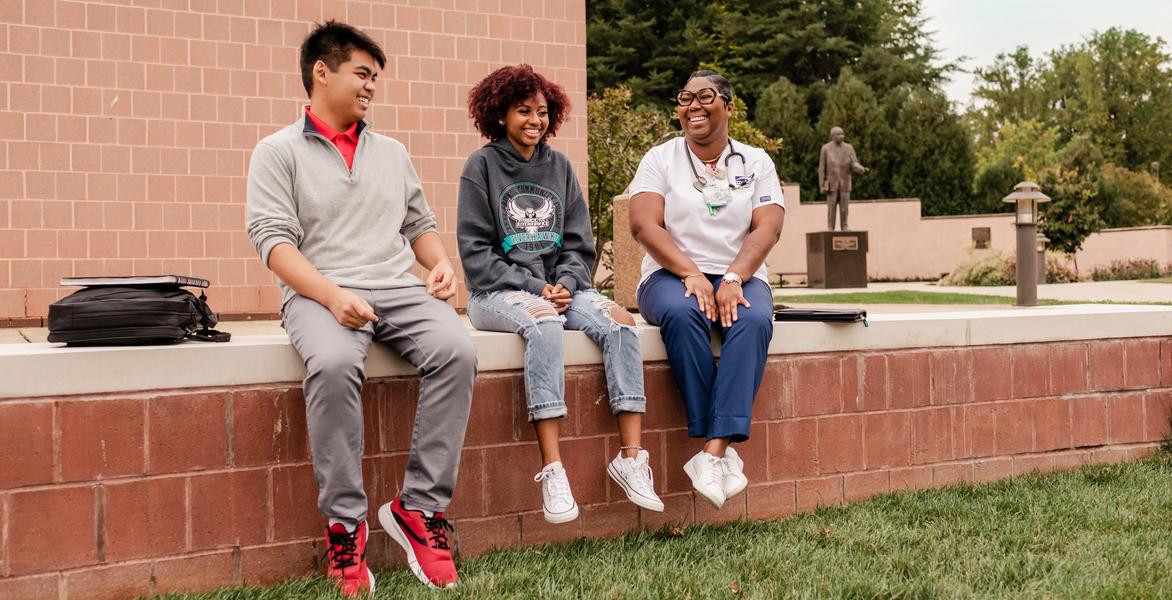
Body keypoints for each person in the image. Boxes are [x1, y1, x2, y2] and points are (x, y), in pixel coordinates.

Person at [245, 21, 474, 594]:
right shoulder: (276, 152)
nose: (372, 87)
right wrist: (330, 295)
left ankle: (419, 509)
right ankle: (345, 528)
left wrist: (439, 264)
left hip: (395, 286)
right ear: (323, 71)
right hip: (317, 291)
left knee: (456, 350)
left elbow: (418, 224)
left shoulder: (391, 152)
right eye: (362, 74)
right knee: (332, 364)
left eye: (376, 78)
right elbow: (273, 243)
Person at [458, 64, 663, 523]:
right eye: (523, 110)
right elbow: (475, 256)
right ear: (500, 113)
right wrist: (538, 287)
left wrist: (567, 284)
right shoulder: (482, 167)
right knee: (545, 324)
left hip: (562, 289)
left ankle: (631, 458)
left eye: (543, 111)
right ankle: (553, 469)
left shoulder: (560, 166)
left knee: (621, 324)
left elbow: (578, 244)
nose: (535, 120)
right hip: (497, 293)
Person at [628, 70, 785, 509]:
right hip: (668, 274)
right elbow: (643, 223)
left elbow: (768, 226)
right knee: (683, 313)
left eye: (705, 97)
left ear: (729, 107)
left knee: (752, 320)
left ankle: (713, 449)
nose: (693, 105)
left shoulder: (755, 162)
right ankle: (718, 441)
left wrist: (734, 277)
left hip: (742, 273)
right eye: (685, 98)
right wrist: (691, 274)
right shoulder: (660, 159)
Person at [818, 126, 869, 231]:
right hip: (831, 183)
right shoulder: (826, 148)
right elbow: (822, 167)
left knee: (844, 207)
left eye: (842, 134)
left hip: (845, 183)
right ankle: (830, 227)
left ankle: (844, 225)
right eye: (839, 134)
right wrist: (822, 184)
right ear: (833, 136)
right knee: (831, 208)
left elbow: (853, 163)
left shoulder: (849, 148)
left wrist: (861, 169)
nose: (842, 136)